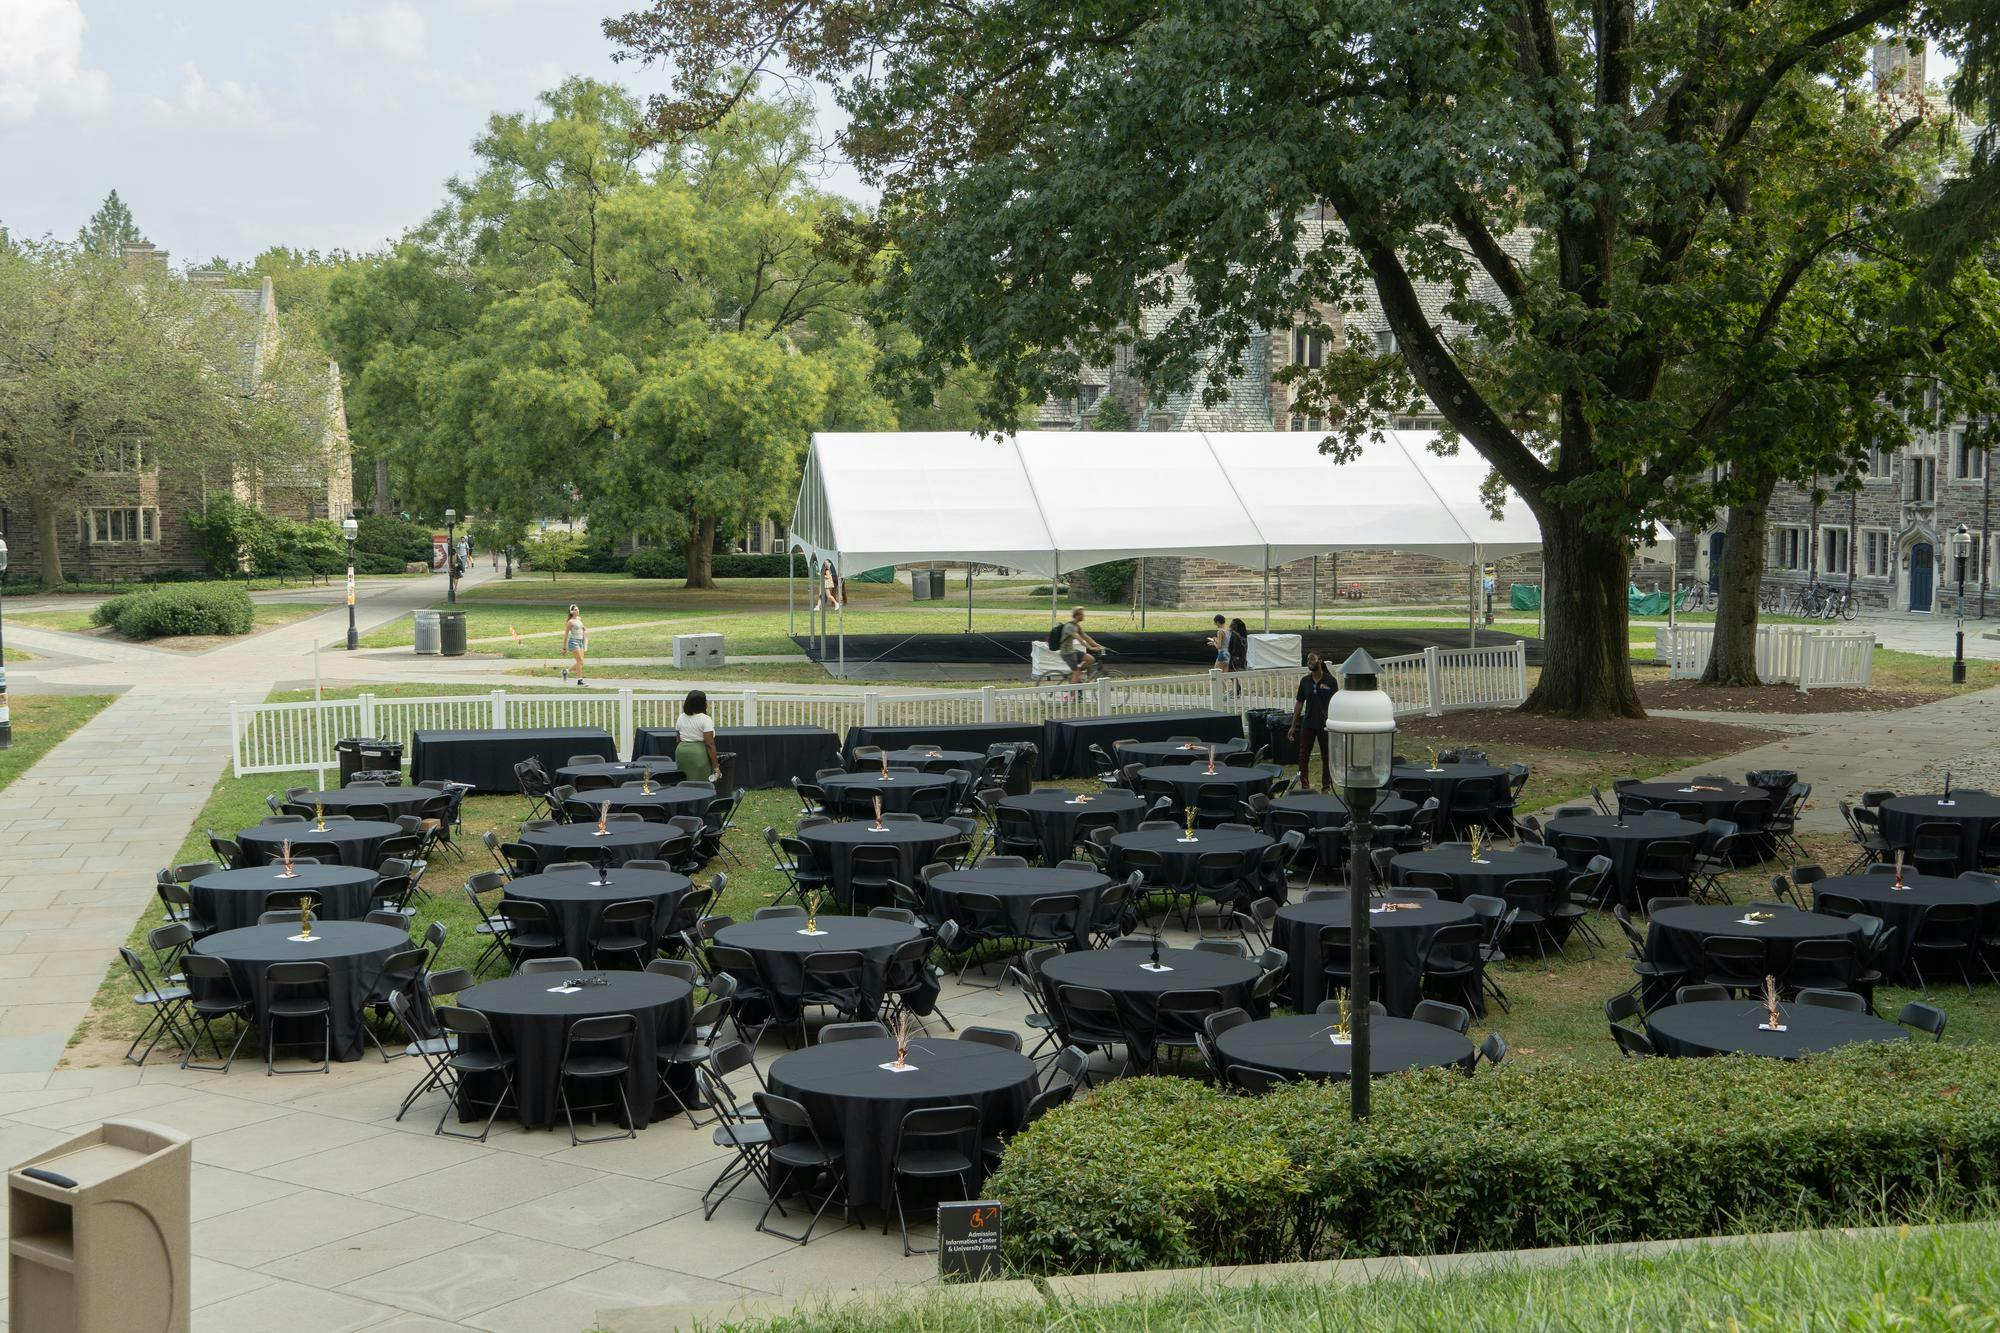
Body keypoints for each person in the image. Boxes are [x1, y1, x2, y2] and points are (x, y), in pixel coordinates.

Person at [1288, 650, 1338, 791]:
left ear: (1320, 661)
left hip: (1325, 725)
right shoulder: (1305, 681)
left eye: (1312, 659)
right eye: (1308, 660)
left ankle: (1326, 787)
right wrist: (1293, 725)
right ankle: (1305, 786)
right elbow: (1299, 703)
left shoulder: (1330, 681)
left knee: (1326, 756)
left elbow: (1336, 703)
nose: (1309, 662)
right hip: (1308, 724)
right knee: (1303, 755)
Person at [673, 689, 719, 783]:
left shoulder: (681, 717)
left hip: (681, 752)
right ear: (703, 704)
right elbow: (709, 743)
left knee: (684, 782)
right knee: (701, 784)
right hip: (698, 755)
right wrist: (716, 766)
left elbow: (678, 738)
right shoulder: (705, 719)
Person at [1058, 606, 1107, 683]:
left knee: (1091, 659)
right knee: (1076, 671)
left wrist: (1098, 645)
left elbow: (1086, 637)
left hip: (1072, 651)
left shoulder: (1076, 626)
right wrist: (1090, 648)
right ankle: (1073, 693)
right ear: (1077, 615)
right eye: (1082, 614)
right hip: (1066, 653)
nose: (1084, 616)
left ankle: (1077, 675)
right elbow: (1079, 639)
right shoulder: (1069, 626)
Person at [561, 604, 587, 684]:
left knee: (581, 662)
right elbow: (566, 635)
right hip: (573, 642)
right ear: (571, 612)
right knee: (579, 661)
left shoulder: (579, 619)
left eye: (578, 609)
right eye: (575, 610)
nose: (577, 611)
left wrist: (584, 629)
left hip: (580, 642)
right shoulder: (570, 622)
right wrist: (564, 648)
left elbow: (582, 628)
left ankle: (566, 671)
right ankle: (579, 680)